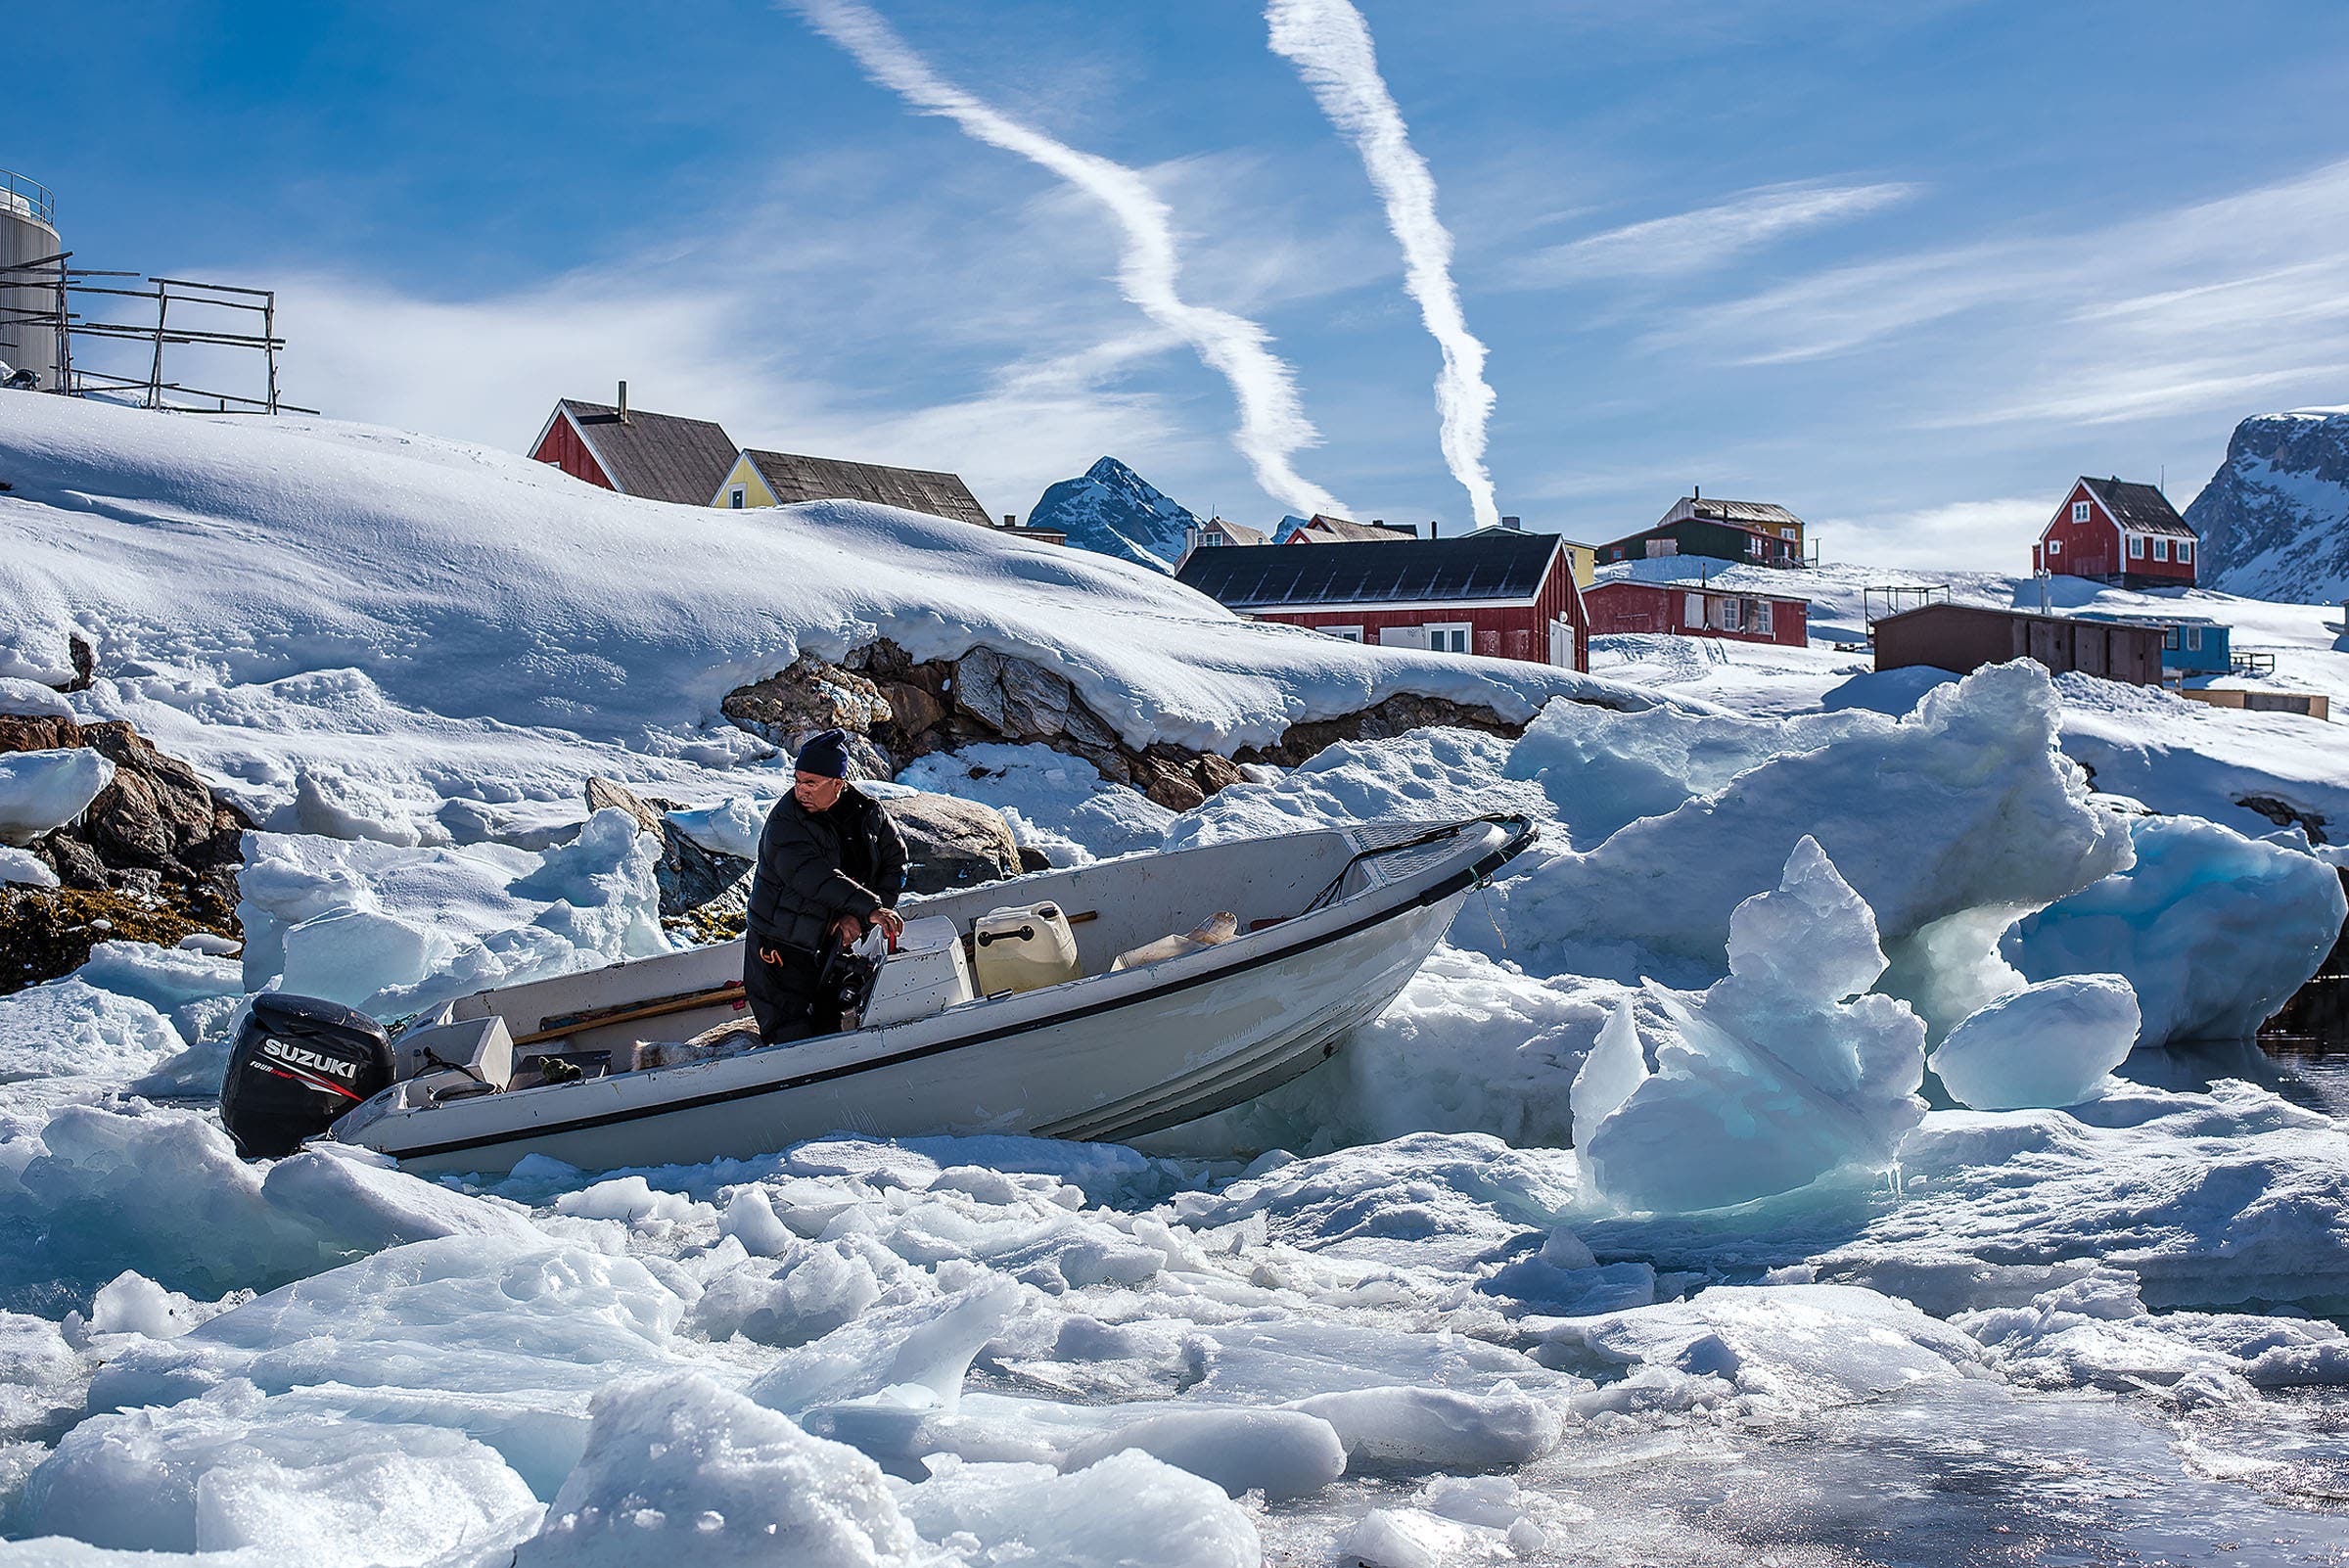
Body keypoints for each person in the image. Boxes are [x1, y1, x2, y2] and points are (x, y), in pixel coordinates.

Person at [743, 728, 907, 1042]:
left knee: (826, 1032)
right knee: (792, 1041)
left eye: (811, 783)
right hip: (778, 953)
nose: (800, 790)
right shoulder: (785, 822)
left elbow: (894, 861)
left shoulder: (866, 814)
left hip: (826, 948)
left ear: (838, 784)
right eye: (797, 780)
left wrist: (858, 918)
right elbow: (815, 877)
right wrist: (870, 909)